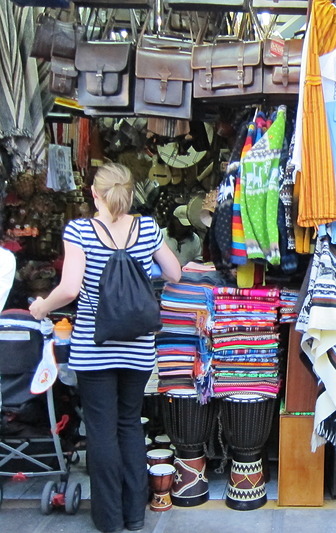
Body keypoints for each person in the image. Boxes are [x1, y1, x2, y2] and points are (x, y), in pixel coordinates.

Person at [30, 163, 181, 533]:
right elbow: (175, 273)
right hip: (138, 348)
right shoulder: (146, 227)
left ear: (94, 194)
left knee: (100, 429)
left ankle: (109, 519)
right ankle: (134, 515)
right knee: (130, 425)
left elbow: (69, 289)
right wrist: (143, 271)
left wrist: (40, 307)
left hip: (93, 350)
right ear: (131, 194)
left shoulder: (80, 230)